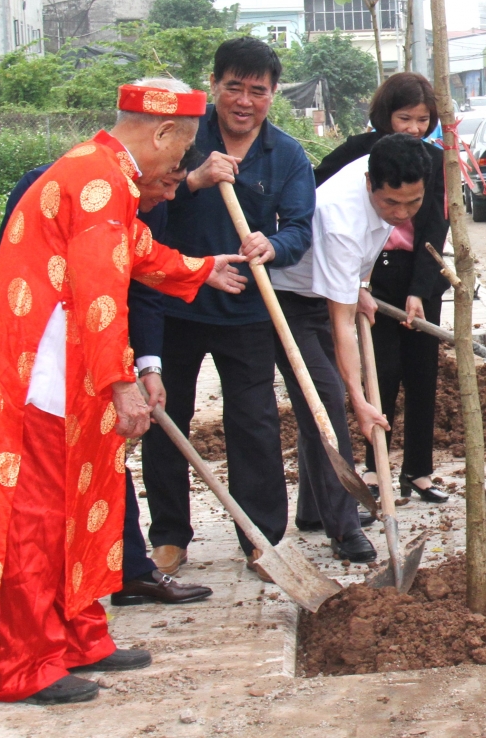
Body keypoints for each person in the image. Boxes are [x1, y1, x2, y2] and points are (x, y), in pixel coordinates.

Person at [0, 78, 247, 704]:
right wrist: (124, 385)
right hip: (40, 377)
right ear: (163, 131)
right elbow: (95, 293)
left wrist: (200, 268)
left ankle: (80, 636)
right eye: (184, 148)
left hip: (69, 375)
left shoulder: (107, 177)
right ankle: (22, 667)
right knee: (37, 519)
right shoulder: (97, 179)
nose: (182, 165)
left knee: (89, 501)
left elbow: (134, 252)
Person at [0, 152, 215, 611]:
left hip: (80, 367)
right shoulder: (71, 189)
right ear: (156, 146)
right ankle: (32, 642)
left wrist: (149, 364)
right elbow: (96, 293)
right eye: (171, 183)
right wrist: (121, 383)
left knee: (96, 479)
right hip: (31, 361)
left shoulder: (131, 197)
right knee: (41, 505)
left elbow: (140, 272)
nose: (171, 196)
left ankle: (103, 599)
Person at [143, 37, 315, 579]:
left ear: (273, 94)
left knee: (256, 425)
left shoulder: (285, 155)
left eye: (257, 91)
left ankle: (261, 539)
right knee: (166, 421)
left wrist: (274, 246)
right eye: (234, 87)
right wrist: (192, 181)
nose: (245, 100)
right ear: (213, 85)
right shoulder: (184, 143)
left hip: (246, 310)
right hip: (178, 305)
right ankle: (170, 536)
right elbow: (146, 213)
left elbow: (299, 228)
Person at [310, 73, 450, 505]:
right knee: (381, 371)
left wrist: (421, 288)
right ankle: (377, 467)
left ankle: (419, 470)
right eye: (404, 117)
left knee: (422, 373)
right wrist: (357, 282)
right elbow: (317, 191)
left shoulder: (431, 159)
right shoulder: (359, 156)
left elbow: (434, 225)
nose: (413, 127)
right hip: (368, 273)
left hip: (418, 271)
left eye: (423, 119)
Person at [279, 134, 433, 502]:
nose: (401, 213)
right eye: (391, 203)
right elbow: (342, 324)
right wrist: (360, 401)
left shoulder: (390, 176)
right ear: (368, 183)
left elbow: (356, 264)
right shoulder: (340, 220)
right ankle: (344, 519)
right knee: (328, 397)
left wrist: (359, 286)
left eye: (413, 202)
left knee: (318, 398)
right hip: (288, 296)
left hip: (327, 284)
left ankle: (314, 511)